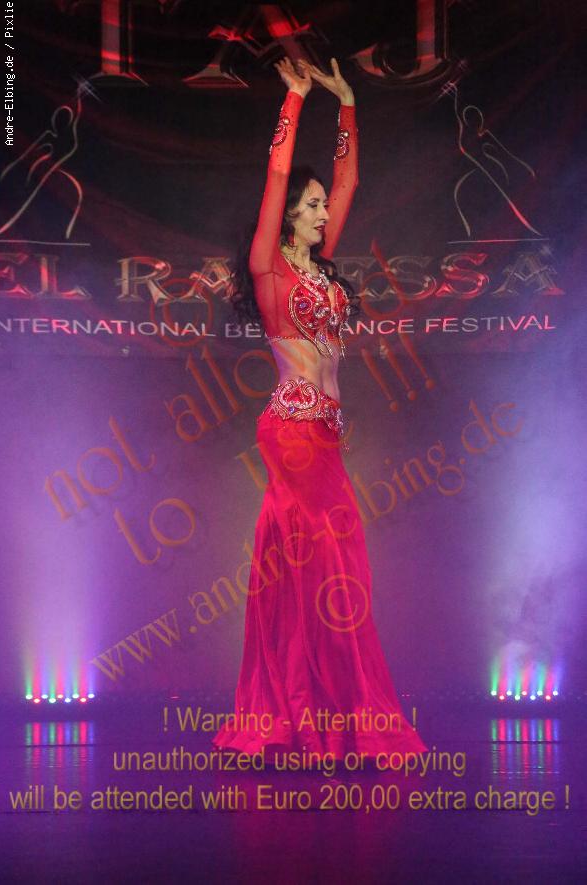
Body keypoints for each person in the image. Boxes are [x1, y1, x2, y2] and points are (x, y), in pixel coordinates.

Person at [213, 57, 427, 762]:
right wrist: (295, 99)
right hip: (292, 429)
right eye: (309, 206)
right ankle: (311, 713)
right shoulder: (269, 267)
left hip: (326, 434)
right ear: (286, 219)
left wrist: (349, 104)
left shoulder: (320, 266)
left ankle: (322, 710)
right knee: (330, 566)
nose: (321, 211)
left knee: (332, 569)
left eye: (318, 206)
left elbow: (349, 182)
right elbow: (276, 176)